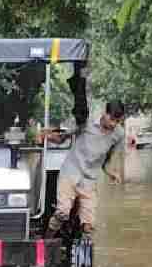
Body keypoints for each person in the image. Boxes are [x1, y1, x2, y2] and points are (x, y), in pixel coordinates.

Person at [43, 64, 127, 236]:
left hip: (89, 180)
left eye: (117, 121)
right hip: (70, 174)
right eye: (111, 119)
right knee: (62, 212)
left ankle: (84, 252)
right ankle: (46, 242)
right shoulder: (85, 123)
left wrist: (113, 173)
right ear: (105, 113)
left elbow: (108, 161)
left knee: (88, 225)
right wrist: (46, 136)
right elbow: (61, 138)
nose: (112, 124)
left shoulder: (118, 135)